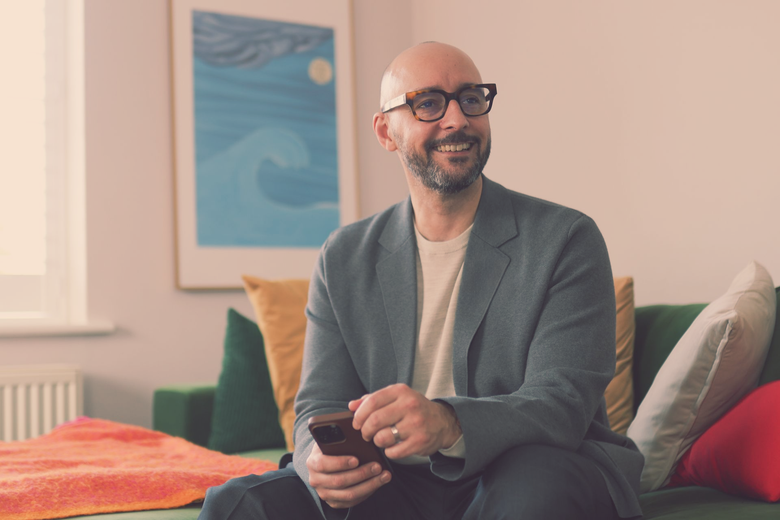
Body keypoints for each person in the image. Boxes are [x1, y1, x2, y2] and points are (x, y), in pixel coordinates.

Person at [199, 42, 644, 520]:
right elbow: (319, 405)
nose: (457, 119)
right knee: (236, 504)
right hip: (391, 481)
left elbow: (562, 402)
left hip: (523, 467)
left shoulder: (566, 238)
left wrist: (448, 422)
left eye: (470, 99)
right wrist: (320, 466)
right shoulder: (343, 256)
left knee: (532, 488)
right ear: (385, 132)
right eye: (428, 103)